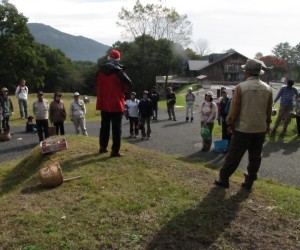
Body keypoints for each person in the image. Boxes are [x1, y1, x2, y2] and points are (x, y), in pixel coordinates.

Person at [215, 58, 273, 191]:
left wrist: (230, 123)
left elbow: (234, 108)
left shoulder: (241, 87)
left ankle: (224, 178)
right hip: (260, 128)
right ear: (259, 73)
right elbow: (268, 110)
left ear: (247, 72)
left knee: (234, 155)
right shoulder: (268, 89)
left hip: (243, 128)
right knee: (255, 156)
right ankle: (249, 181)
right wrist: (267, 124)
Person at [96, 49, 132, 157]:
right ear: (118, 59)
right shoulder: (120, 71)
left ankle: (103, 147)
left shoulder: (100, 71)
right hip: (117, 103)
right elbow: (126, 87)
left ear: (108, 58)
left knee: (104, 126)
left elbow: (97, 86)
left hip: (104, 103)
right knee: (117, 129)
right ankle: (115, 151)